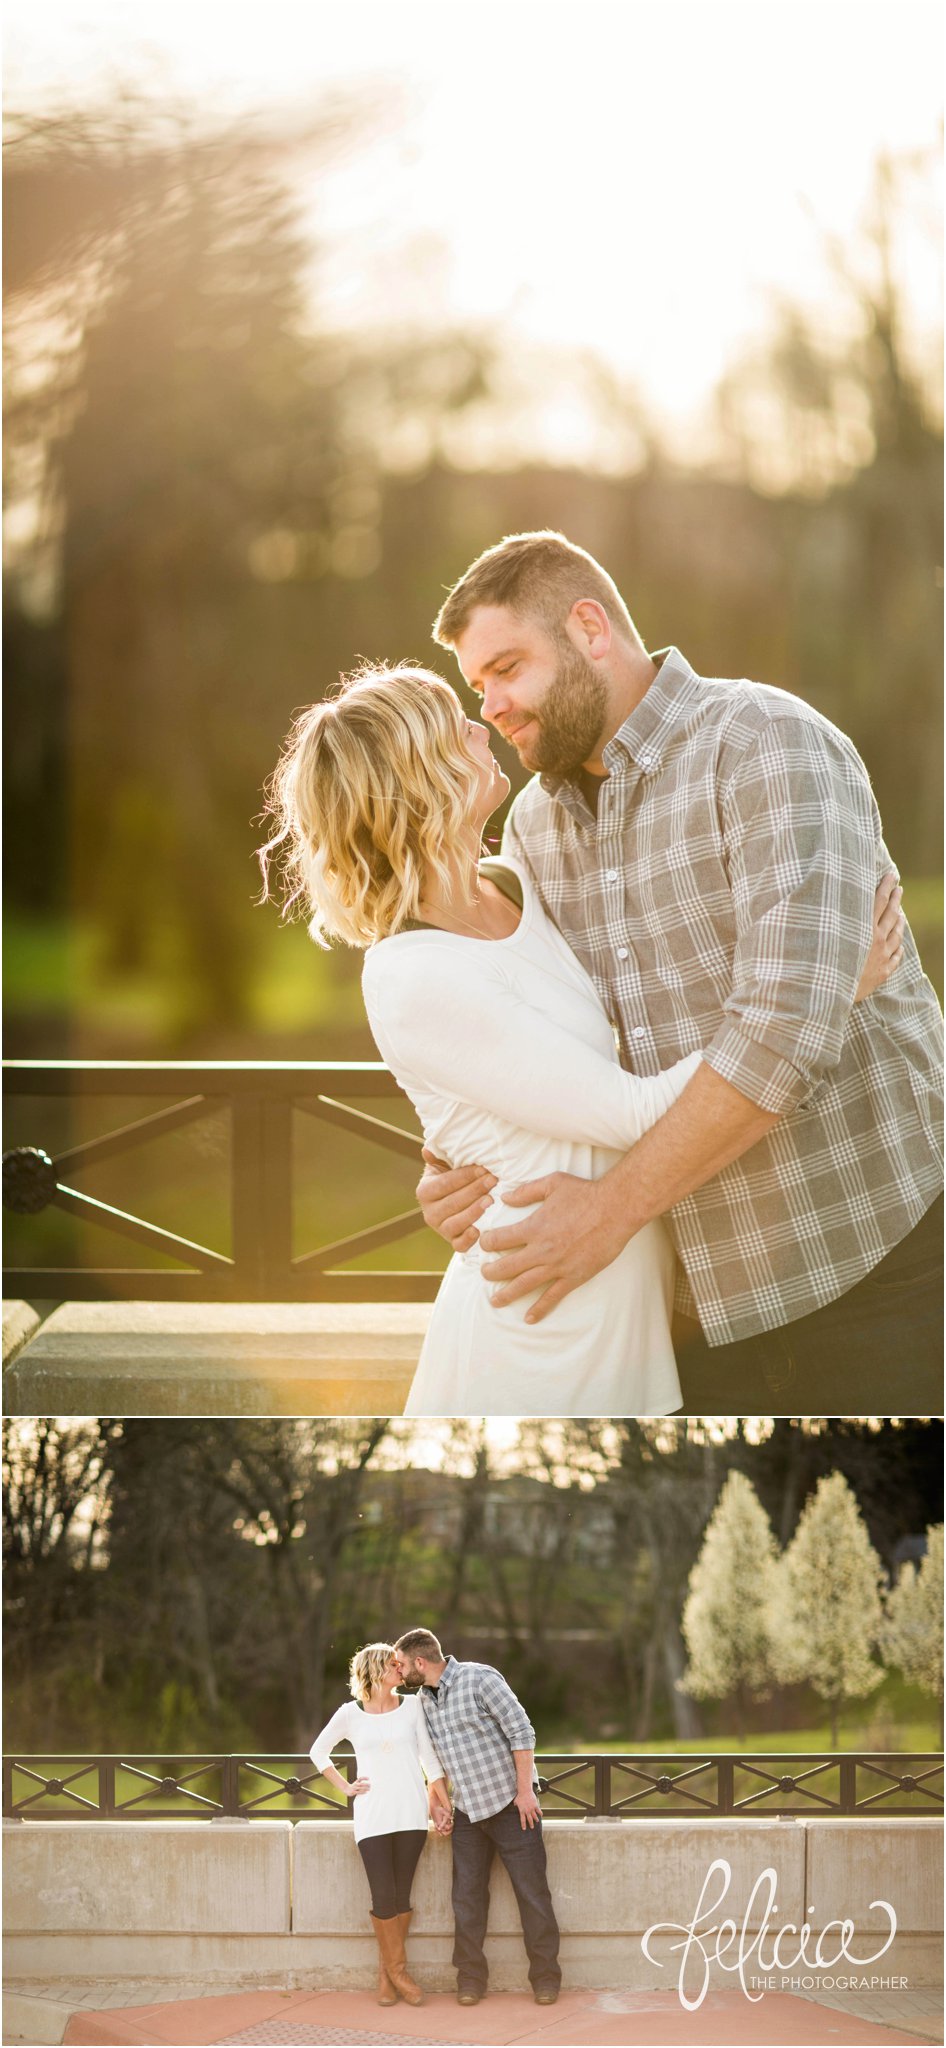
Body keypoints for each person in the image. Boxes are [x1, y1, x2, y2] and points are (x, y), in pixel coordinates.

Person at [259, 664, 897, 1416]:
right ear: (415, 780)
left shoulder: (513, 882)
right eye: (450, 727)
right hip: (544, 1324)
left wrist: (442, 1164)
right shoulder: (411, 976)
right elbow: (629, 1112)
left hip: (629, 1299)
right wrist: (818, 991)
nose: (478, 724)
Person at [415, 530, 943, 1414]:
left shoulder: (768, 745)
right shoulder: (534, 832)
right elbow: (531, 1034)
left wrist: (609, 1211)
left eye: (507, 667)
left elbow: (781, 1036)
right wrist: (451, 1162)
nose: (494, 706)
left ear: (589, 628)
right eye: (479, 686)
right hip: (686, 1317)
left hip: (873, 1277)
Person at [394, 1627, 561, 2009]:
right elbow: (430, 1757)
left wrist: (524, 1792)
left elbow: (523, 1731)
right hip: (467, 1811)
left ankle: (546, 1979)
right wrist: (437, 1802)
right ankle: (470, 1980)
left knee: (533, 1897)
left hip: (511, 1807)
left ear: (420, 1662)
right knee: (466, 1901)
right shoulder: (422, 1700)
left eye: (402, 1665)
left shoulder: (480, 1678)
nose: (399, 1673)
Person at [309, 1640, 452, 2007]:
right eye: (393, 1664)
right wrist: (345, 1786)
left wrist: (440, 1801)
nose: (401, 1669)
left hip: (411, 1813)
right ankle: (399, 1972)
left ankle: (386, 1975)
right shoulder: (349, 1714)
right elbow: (317, 1751)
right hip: (372, 1816)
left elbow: (429, 1758)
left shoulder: (413, 1706)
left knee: (402, 1894)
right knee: (382, 1895)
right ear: (375, 1670)